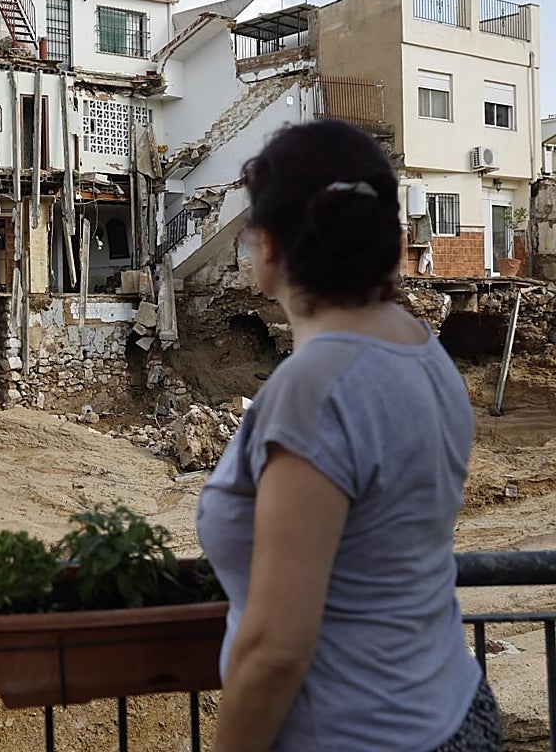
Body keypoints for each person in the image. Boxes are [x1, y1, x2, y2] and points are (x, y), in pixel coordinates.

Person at [197, 119, 503, 751]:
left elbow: (278, 648)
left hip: (359, 734)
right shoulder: (423, 351)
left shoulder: (316, 388)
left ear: (270, 247)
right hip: (455, 707)